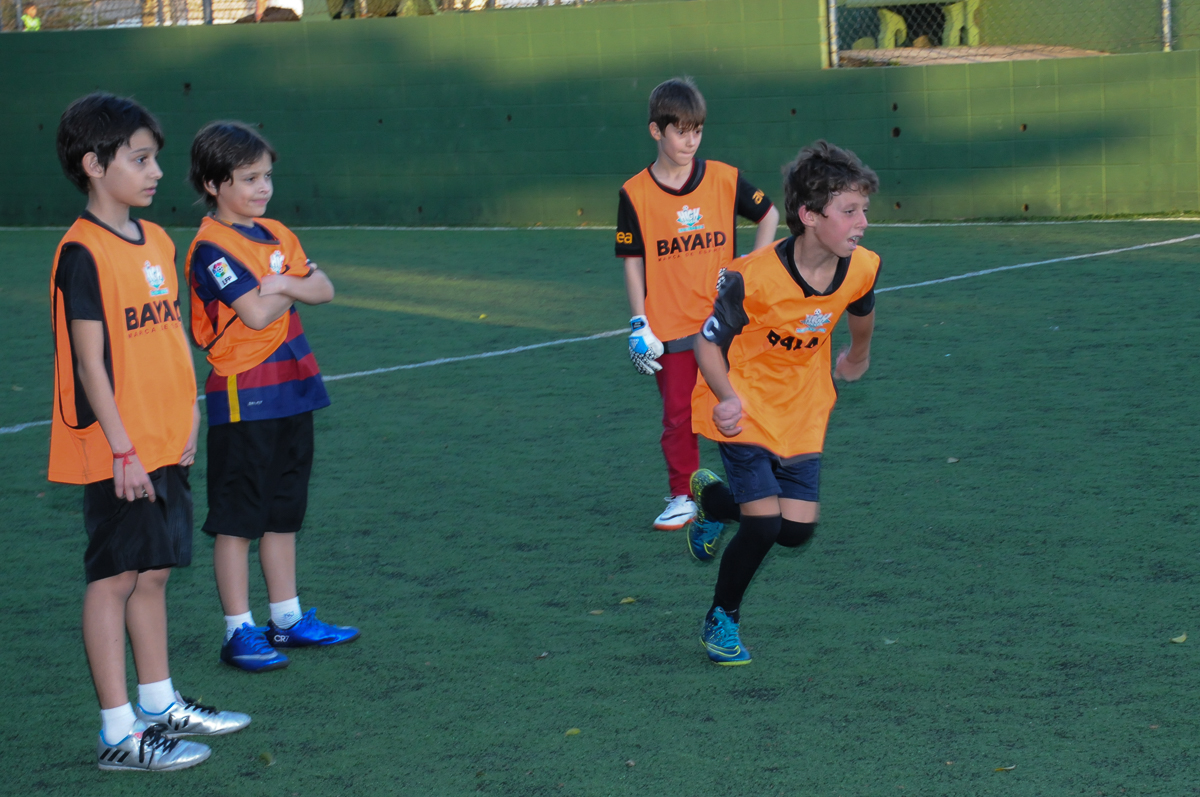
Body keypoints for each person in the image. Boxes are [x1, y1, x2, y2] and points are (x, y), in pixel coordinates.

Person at [50, 93, 250, 771]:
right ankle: (118, 732)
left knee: (154, 571)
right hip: (121, 449)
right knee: (114, 576)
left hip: (166, 437)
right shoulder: (82, 251)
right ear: (93, 165)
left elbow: (168, 337)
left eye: (154, 158)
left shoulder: (159, 240)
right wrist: (123, 449)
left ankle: (159, 703)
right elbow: (89, 363)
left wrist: (188, 410)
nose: (156, 171)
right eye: (139, 159)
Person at [686, 140, 880, 665]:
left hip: (802, 404)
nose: (863, 222)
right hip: (744, 399)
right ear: (810, 216)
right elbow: (706, 344)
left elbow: (862, 308)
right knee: (764, 524)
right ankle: (721, 619)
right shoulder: (751, 277)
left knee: (794, 532)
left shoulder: (862, 266)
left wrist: (858, 355)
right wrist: (726, 398)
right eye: (849, 211)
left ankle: (713, 502)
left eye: (864, 209)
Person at [186, 120, 358, 674]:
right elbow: (255, 314)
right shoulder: (211, 248)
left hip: (294, 389)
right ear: (213, 184)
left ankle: (287, 619)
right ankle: (239, 631)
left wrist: (282, 282)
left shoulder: (277, 232)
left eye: (267, 176)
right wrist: (292, 284)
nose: (263, 188)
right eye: (249, 178)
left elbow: (324, 289)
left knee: (284, 512)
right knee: (238, 520)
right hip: (244, 396)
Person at [616, 76, 780, 531]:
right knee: (678, 416)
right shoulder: (634, 193)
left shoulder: (724, 178)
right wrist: (639, 323)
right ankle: (683, 496)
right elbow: (633, 261)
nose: (691, 141)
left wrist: (749, 271)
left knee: (740, 405)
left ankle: (758, 488)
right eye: (681, 132)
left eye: (698, 131)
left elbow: (769, 214)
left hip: (723, 323)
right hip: (669, 327)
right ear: (656, 131)